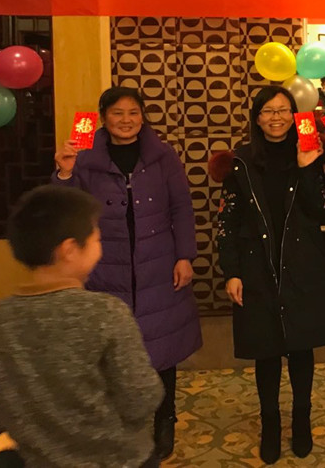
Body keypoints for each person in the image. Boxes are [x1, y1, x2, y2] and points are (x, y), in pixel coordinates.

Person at [52, 86, 202, 459]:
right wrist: (65, 172)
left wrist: (185, 256)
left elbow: (181, 207)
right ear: (103, 117)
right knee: (110, 350)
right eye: (117, 112)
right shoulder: (84, 157)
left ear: (143, 116)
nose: (126, 120)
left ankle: (165, 418)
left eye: (133, 112)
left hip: (158, 263)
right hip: (107, 266)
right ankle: (120, 423)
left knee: (163, 348)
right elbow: (64, 209)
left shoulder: (163, 155)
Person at [0, 186, 163, 468]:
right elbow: (141, 399)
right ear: (69, 250)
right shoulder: (105, 313)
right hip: (117, 460)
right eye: (96, 239)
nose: (100, 247)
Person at [213, 86, 325, 463]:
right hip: (257, 265)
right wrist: (231, 271)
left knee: (302, 347)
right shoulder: (240, 160)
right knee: (265, 351)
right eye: (268, 111)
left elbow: (321, 211)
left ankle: (301, 420)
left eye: (284, 110)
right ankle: (270, 424)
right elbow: (228, 221)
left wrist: (307, 167)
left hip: (301, 262)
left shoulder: (308, 151)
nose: (276, 118)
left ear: (294, 115)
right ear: (257, 117)